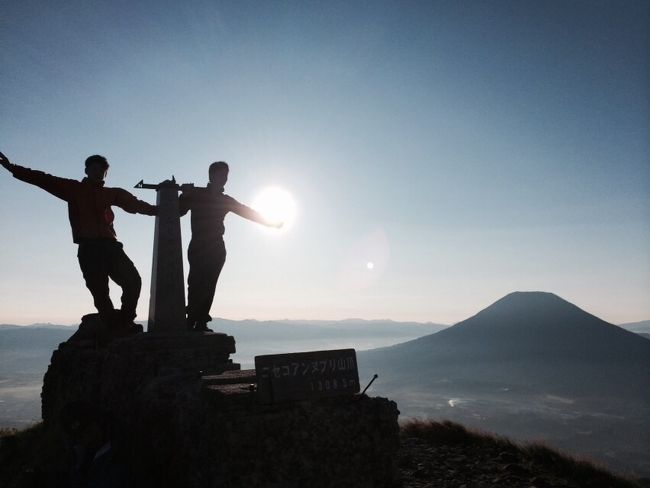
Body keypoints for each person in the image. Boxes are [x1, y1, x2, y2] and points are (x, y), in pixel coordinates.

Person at [0, 151, 157, 334]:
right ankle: (114, 326)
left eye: (103, 170)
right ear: (87, 170)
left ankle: (125, 320)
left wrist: (167, 210)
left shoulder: (112, 193)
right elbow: (43, 179)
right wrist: (12, 167)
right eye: (95, 169)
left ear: (106, 173)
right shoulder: (74, 189)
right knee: (100, 293)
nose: (99, 173)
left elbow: (137, 205)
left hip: (111, 246)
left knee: (133, 281)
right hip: (89, 248)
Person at [179, 161, 281, 332]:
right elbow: (179, 212)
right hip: (198, 245)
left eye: (226, 175)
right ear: (211, 176)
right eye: (221, 174)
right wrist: (184, 195)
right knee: (195, 282)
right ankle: (191, 320)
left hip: (217, 248)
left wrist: (271, 223)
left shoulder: (225, 200)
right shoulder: (196, 194)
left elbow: (247, 212)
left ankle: (201, 321)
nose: (224, 178)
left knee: (209, 284)